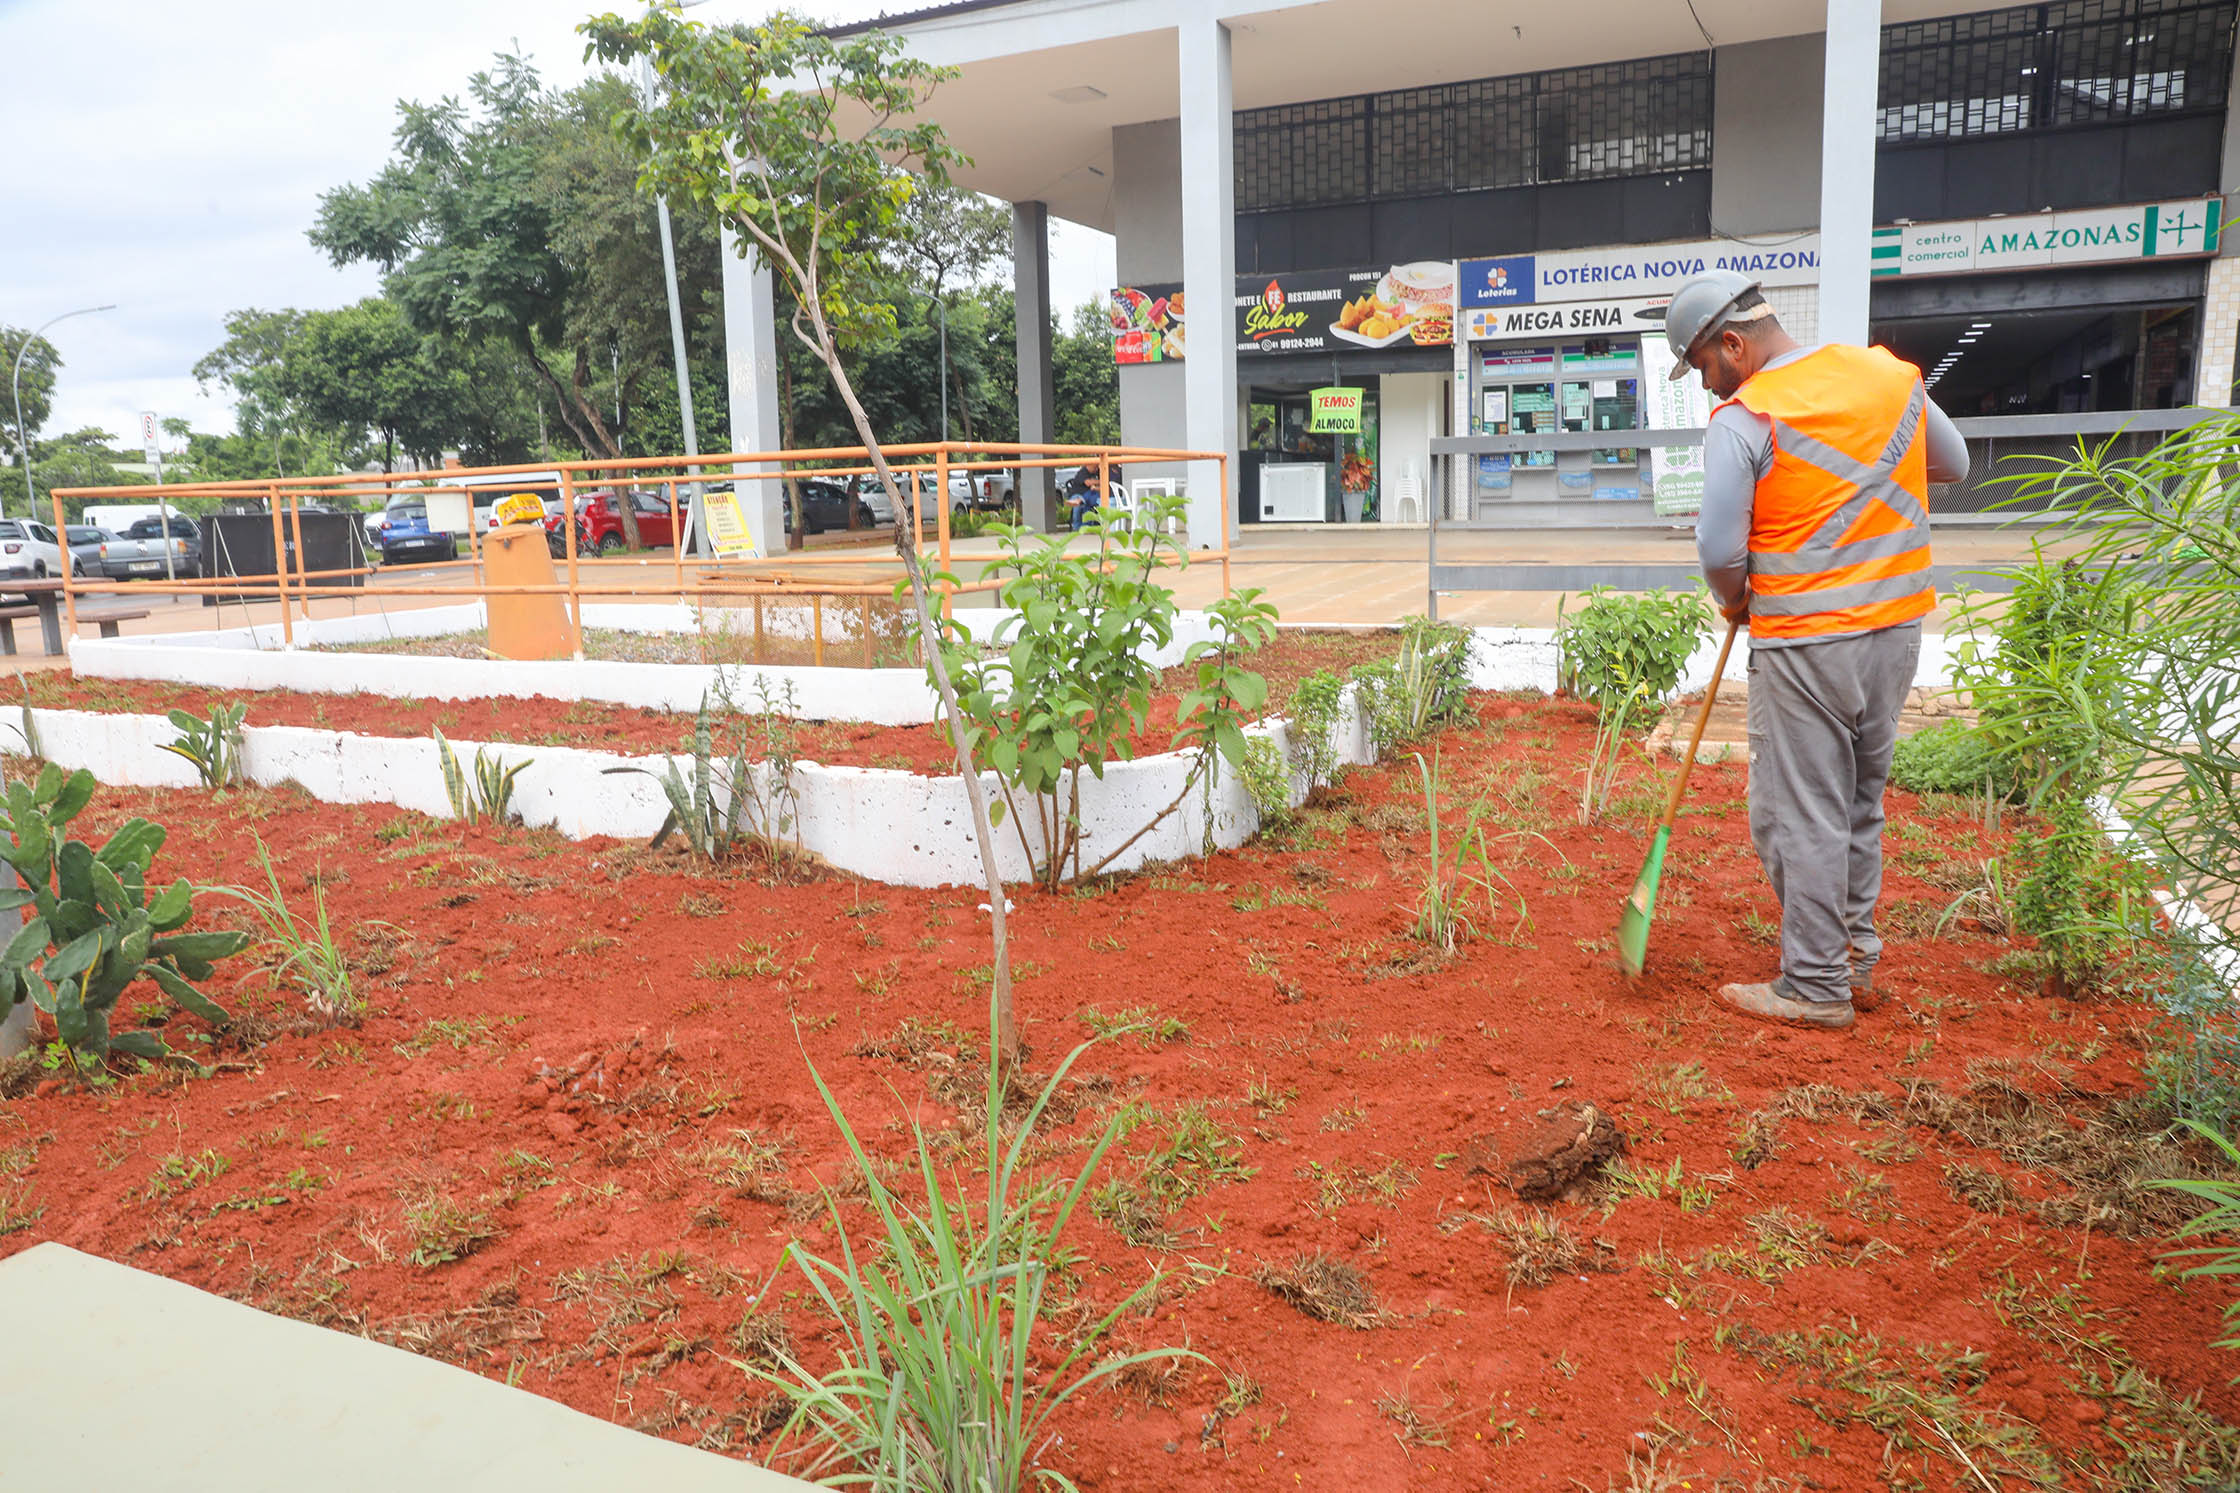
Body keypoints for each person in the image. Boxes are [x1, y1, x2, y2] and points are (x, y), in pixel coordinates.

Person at [1667, 270, 1970, 1031]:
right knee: (1859, 801)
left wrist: (1737, 600)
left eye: (1703, 367)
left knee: (1798, 813)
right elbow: (1954, 463)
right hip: (1896, 631)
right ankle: (1855, 957)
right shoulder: (1885, 375)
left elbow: (1716, 548)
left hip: (1807, 642)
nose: (1706, 387)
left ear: (1732, 345)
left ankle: (1813, 982)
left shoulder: (1745, 418)